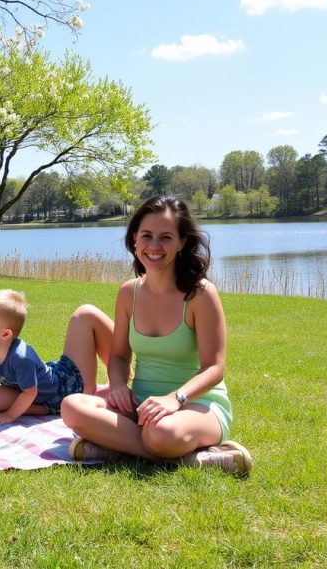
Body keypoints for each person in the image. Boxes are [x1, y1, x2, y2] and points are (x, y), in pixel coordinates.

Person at [60, 195, 252, 476]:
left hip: (196, 405)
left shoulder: (200, 294)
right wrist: (117, 386)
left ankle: (115, 447)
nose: (154, 246)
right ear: (135, 238)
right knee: (72, 407)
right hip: (142, 405)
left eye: (165, 237)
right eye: (146, 235)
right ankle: (192, 460)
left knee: (160, 435)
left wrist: (176, 398)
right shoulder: (129, 292)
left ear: (182, 242)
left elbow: (214, 368)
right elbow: (119, 356)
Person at [0, 289, 111, 425]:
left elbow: (30, 392)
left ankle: (47, 409)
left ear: (5, 334)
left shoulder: (21, 357)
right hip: (25, 390)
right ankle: (41, 407)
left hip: (64, 386)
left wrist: (9, 415)